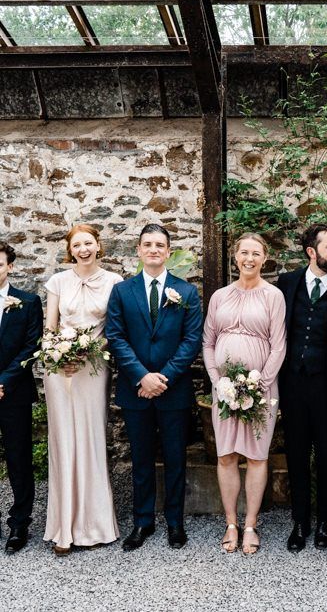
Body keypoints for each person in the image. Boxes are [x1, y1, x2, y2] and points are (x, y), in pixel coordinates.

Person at [105, 223, 202, 552]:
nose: (154, 250)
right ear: (138, 250)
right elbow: (115, 337)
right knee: (142, 459)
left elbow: (191, 342)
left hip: (172, 391)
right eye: (147, 244)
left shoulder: (186, 292)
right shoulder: (122, 291)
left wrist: (162, 379)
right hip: (136, 390)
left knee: (176, 458)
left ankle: (175, 522)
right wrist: (141, 376)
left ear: (169, 251)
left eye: (160, 245)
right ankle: (142, 521)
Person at [202, 233, 286, 555]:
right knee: (226, 455)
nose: (249, 259)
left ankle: (250, 523)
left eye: (256, 253)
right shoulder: (220, 296)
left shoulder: (273, 296)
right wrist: (215, 378)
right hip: (223, 390)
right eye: (243, 253)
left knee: (256, 456)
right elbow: (208, 341)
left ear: (264, 258)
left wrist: (259, 384)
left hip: (260, 390)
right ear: (235, 257)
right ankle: (230, 523)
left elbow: (279, 345)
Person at [43, 225, 122, 555]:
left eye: (89, 242)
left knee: (90, 440)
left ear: (98, 245)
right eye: (77, 245)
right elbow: (49, 327)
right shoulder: (58, 282)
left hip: (93, 367)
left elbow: (114, 329)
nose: (84, 249)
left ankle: (95, 525)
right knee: (63, 441)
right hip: (59, 370)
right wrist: (59, 353)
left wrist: (86, 351)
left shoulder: (114, 282)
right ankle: (63, 529)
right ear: (70, 249)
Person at [277, 223, 327, 552]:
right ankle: (299, 521)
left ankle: (325, 521)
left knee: (326, 454)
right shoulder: (287, 283)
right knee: (295, 453)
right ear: (312, 252)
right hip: (293, 382)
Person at [0, 241, 43, 554]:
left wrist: (3, 382)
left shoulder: (28, 302)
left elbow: (31, 347)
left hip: (13, 392)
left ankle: (19, 522)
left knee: (18, 458)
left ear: (9, 267)